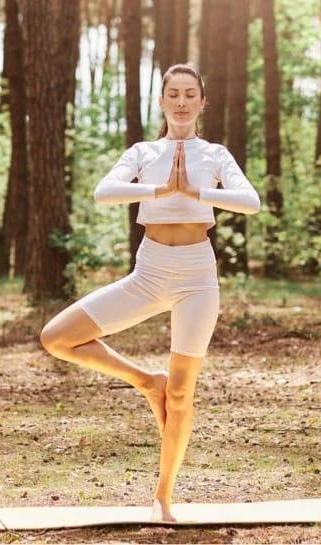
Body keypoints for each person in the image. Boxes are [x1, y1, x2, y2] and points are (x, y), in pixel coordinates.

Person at [39, 63, 260, 522]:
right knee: (56, 337)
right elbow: (104, 192)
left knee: (181, 395)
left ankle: (163, 496)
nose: (181, 101)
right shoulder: (142, 151)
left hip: (197, 278)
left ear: (202, 103)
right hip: (148, 274)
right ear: (161, 101)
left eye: (189, 94)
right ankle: (145, 380)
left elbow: (251, 202)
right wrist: (161, 189)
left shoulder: (215, 154)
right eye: (173, 93)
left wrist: (196, 191)